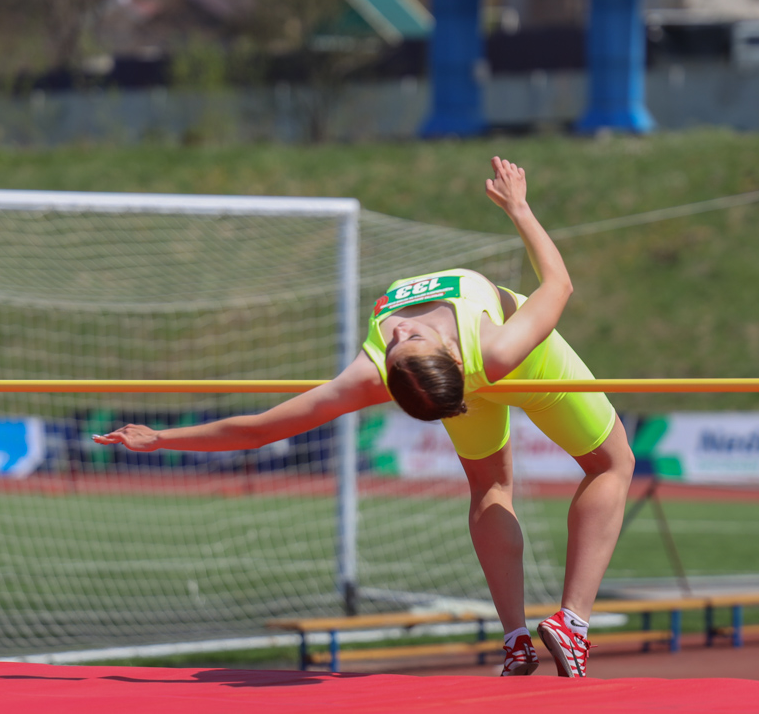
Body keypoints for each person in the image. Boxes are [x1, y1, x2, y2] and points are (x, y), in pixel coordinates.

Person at [94, 157, 634, 677]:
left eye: (404, 339)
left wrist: (163, 436)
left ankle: (521, 637)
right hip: (526, 363)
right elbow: (557, 284)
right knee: (611, 463)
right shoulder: (482, 351)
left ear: (446, 360)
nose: (398, 333)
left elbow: (262, 429)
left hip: (491, 378)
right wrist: (520, 209)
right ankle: (571, 624)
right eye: (403, 343)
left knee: (492, 486)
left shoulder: (377, 370)